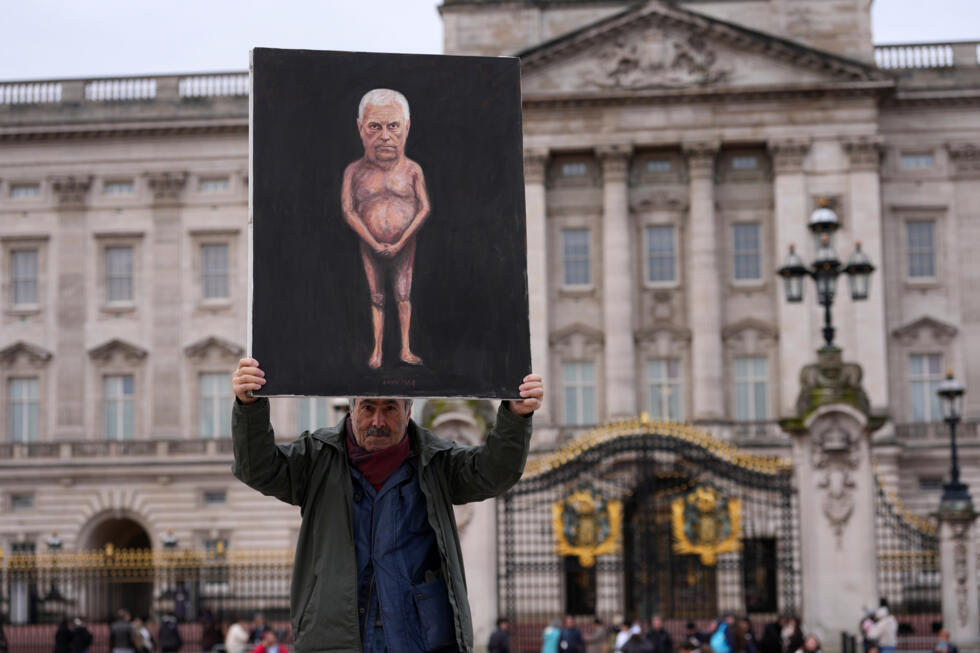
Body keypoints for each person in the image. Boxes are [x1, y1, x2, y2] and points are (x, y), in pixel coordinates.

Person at [231, 358, 543, 652]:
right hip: (335, 637)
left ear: (408, 413)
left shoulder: (437, 461)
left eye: (390, 408)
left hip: (417, 637)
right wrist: (249, 407)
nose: (378, 421)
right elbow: (257, 467)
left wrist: (516, 417)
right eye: (368, 407)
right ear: (352, 410)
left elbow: (494, 473)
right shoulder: (315, 458)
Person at [341, 87, 431, 369]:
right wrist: (372, 241)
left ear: (406, 126)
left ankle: (405, 349)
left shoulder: (413, 169)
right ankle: (377, 351)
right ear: (360, 128)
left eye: (393, 126)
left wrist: (402, 240)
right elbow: (348, 210)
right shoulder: (354, 171)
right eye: (375, 127)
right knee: (376, 296)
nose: (385, 136)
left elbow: (424, 207)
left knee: (403, 294)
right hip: (370, 243)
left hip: (404, 243)